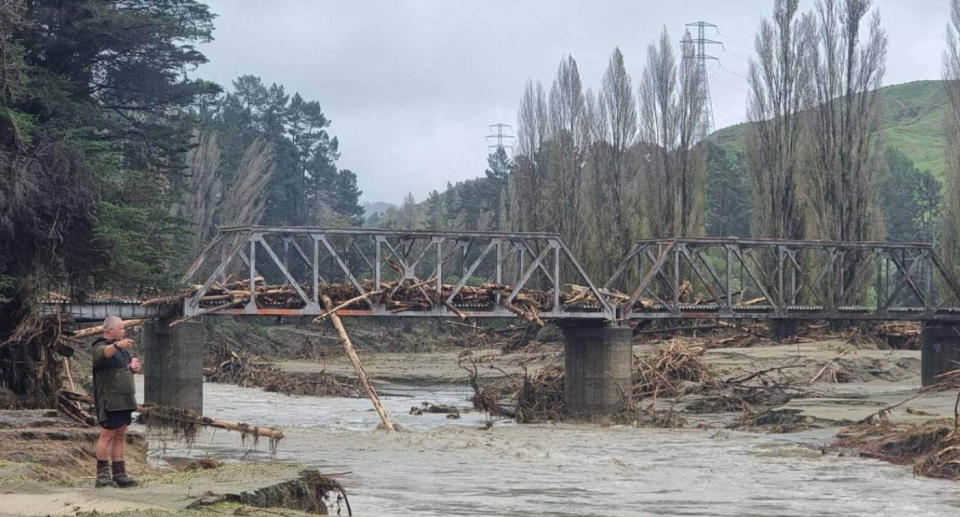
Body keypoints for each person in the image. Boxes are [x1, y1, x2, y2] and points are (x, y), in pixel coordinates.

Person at [90, 316, 141, 488]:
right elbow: (105, 353)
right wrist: (117, 345)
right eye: (121, 328)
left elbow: (126, 367)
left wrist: (133, 367)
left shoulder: (123, 350)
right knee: (107, 435)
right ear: (111, 329)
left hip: (125, 399)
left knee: (120, 435)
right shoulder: (99, 346)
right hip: (109, 399)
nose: (124, 331)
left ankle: (120, 474)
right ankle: (102, 475)